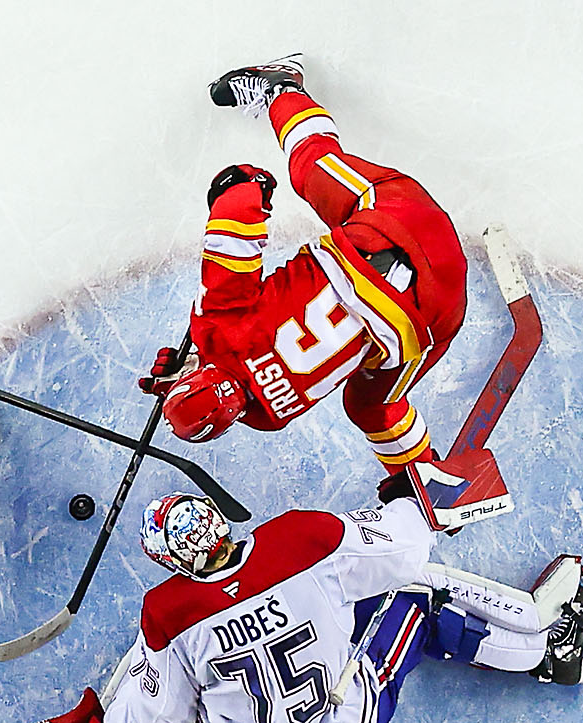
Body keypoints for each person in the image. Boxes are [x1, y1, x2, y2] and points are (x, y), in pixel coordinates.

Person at [0, 482, 583, 723]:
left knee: (152, 673)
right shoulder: (301, 538)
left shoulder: (167, 611)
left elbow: (162, 719)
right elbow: (408, 549)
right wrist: (416, 497)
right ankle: (544, 643)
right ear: (217, 523)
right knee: (419, 597)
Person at [139, 54, 468, 471]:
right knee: (311, 167)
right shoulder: (217, 328)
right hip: (401, 222)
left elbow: (253, 373)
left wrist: (198, 365)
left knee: (370, 406)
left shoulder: (268, 418)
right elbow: (234, 235)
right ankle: (280, 88)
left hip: (440, 307)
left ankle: (421, 480)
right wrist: (241, 185)